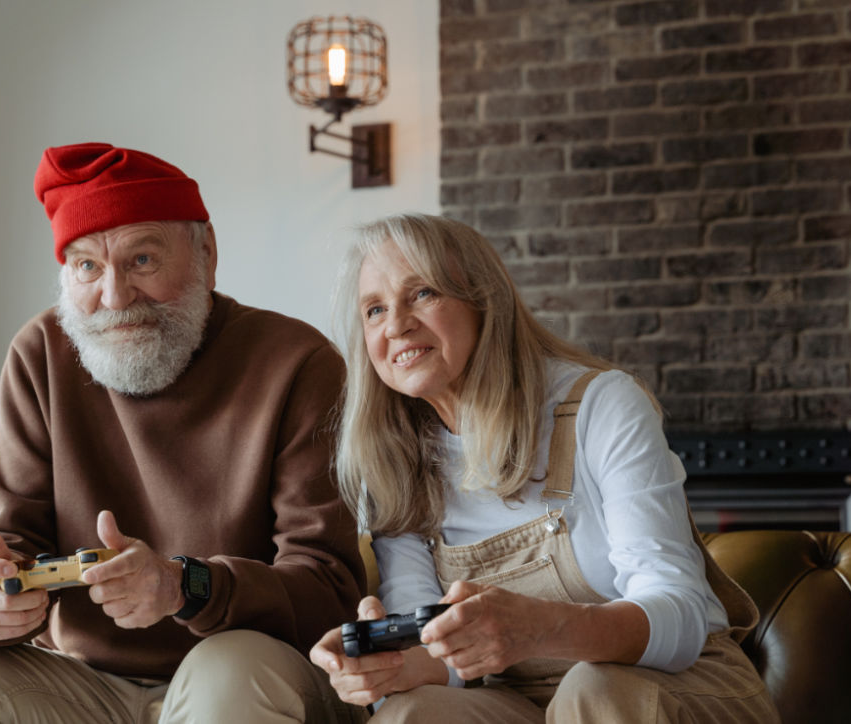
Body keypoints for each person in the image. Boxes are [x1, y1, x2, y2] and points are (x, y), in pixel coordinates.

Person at [0, 143, 368, 723]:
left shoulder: (298, 361)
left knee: (230, 670)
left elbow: (329, 589)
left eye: (142, 260)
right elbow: (6, 534)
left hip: (246, 676)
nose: (115, 298)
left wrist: (186, 586)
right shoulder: (41, 353)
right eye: (88, 266)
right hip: (86, 684)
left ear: (206, 254)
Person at [309, 213, 779, 722]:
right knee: (411, 713)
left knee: (593, 689)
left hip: (676, 686)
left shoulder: (601, 404)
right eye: (375, 309)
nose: (396, 324)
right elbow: (443, 659)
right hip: (515, 699)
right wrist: (389, 667)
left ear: (485, 301)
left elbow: (681, 616)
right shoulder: (394, 454)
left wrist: (543, 628)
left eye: (422, 293)